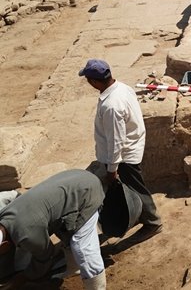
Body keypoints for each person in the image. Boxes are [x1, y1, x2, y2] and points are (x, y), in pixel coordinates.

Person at [80, 59, 162, 240]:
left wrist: (112, 169)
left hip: (124, 155)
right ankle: (139, 215)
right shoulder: (122, 88)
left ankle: (152, 222)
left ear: (94, 82)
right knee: (133, 187)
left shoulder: (111, 106)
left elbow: (116, 141)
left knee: (136, 188)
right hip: (130, 147)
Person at [0, 169, 106, 289]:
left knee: (82, 247)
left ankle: (97, 286)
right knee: (65, 230)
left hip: (86, 191)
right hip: (73, 177)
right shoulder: (4, 217)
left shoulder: (26, 233)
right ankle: (74, 270)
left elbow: (45, 256)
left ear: (4, 245)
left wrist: (24, 277)